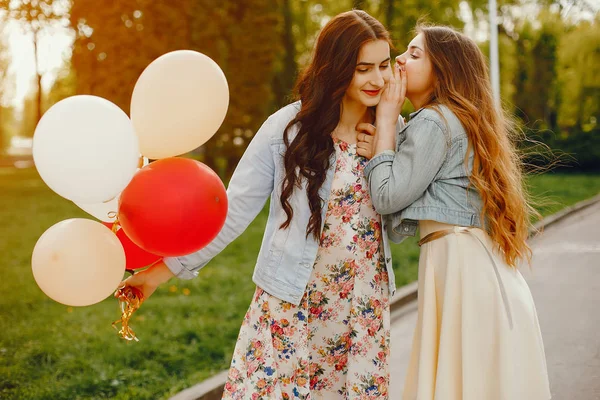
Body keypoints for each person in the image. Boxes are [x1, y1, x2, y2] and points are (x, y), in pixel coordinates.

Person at [122, 10, 404, 399]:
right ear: (335, 69)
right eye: (363, 68)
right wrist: (160, 272)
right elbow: (232, 209)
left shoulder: (393, 130)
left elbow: (407, 210)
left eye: (384, 66)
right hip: (294, 303)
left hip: (362, 307)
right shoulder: (287, 130)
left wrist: (386, 136)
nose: (378, 79)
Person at [358, 25, 551, 399]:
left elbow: (387, 196)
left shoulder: (434, 120)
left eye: (415, 55)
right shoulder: (449, 119)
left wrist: (384, 126)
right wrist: (389, 147)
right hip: (473, 264)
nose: (400, 59)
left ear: (443, 70)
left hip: (461, 265)